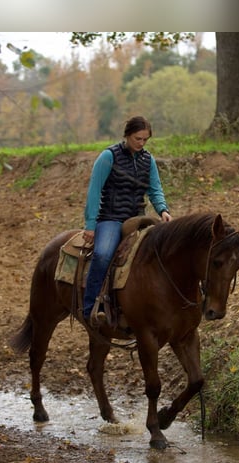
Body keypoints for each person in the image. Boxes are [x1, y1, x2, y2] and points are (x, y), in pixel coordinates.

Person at [81, 116, 172, 325]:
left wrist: (163, 210)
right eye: (137, 139)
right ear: (127, 135)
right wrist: (91, 225)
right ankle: (90, 307)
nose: (141, 144)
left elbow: (155, 189)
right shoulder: (108, 157)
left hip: (138, 217)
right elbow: (94, 192)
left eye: (145, 140)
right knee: (103, 255)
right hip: (111, 218)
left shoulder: (148, 160)